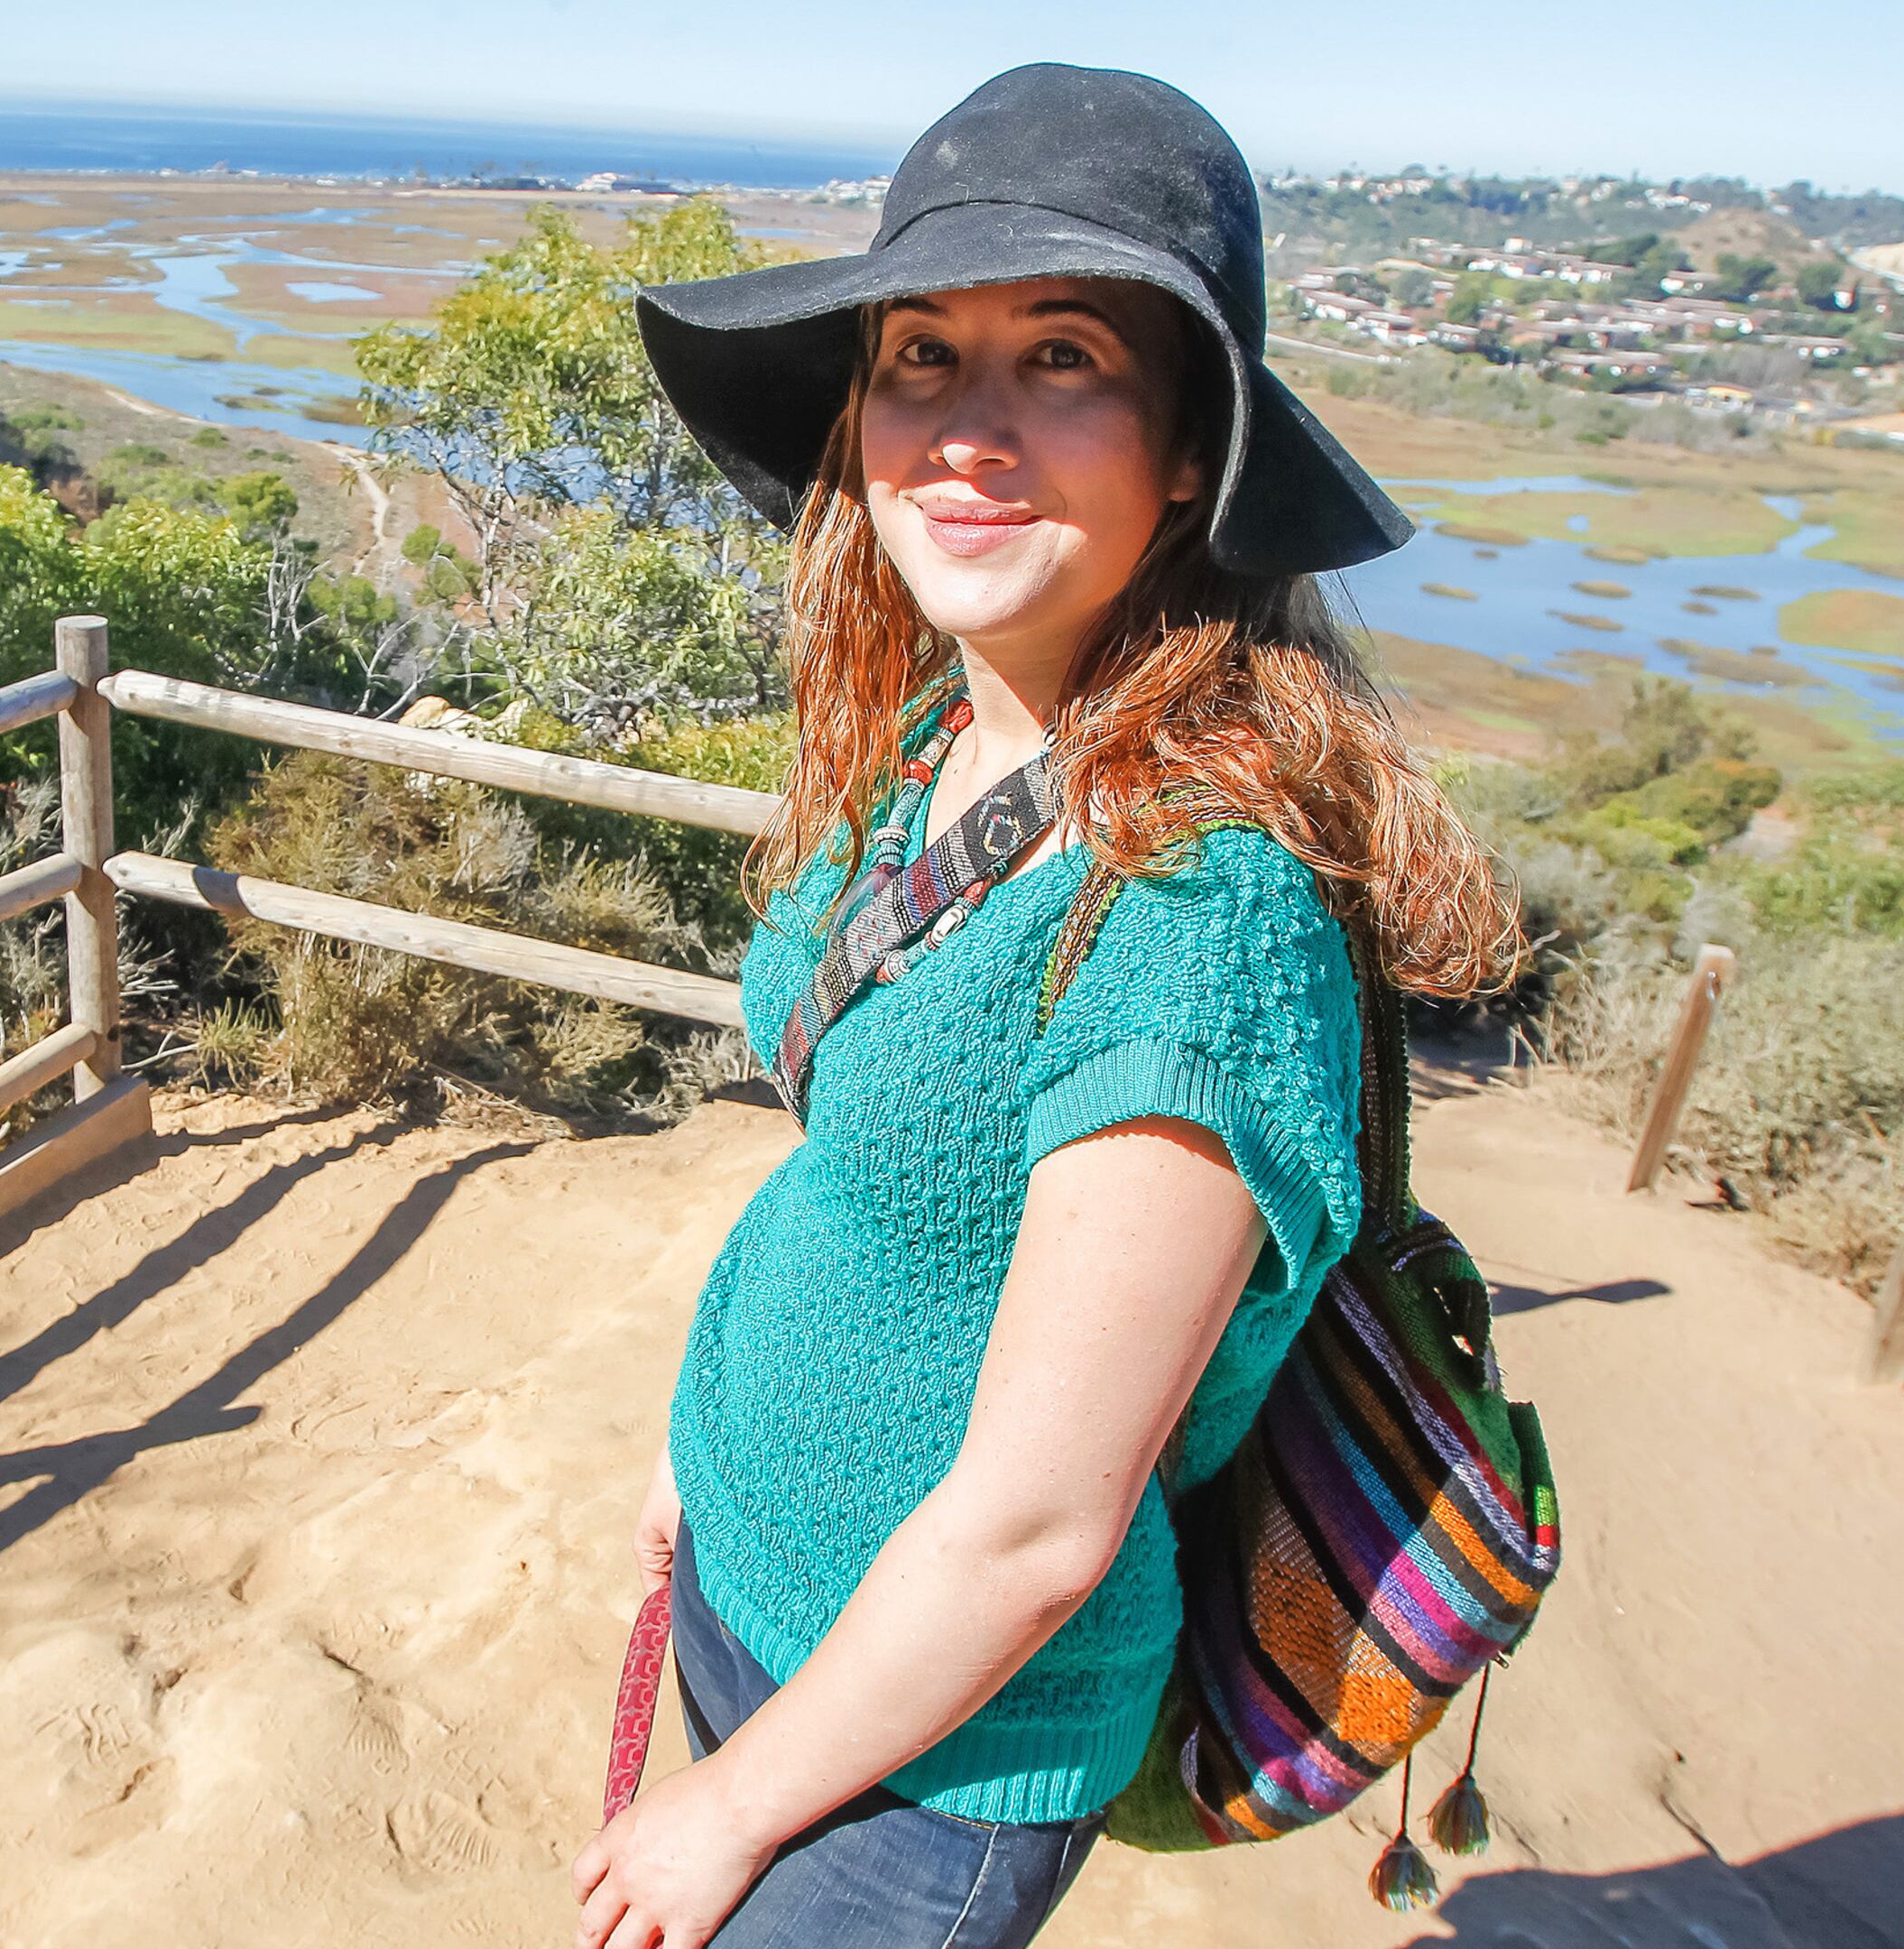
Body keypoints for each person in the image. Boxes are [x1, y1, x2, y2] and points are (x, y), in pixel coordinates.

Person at [568, 65, 1520, 1949]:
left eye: (1065, 356)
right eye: (921, 355)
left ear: (1189, 454)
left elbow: (1035, 1527)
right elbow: (865, 1188)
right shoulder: (949, 740)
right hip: (773, 1594)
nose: (967, 431)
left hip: (936, 1764)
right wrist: (708, 1466)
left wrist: (724, 1818)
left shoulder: (1194, 904)